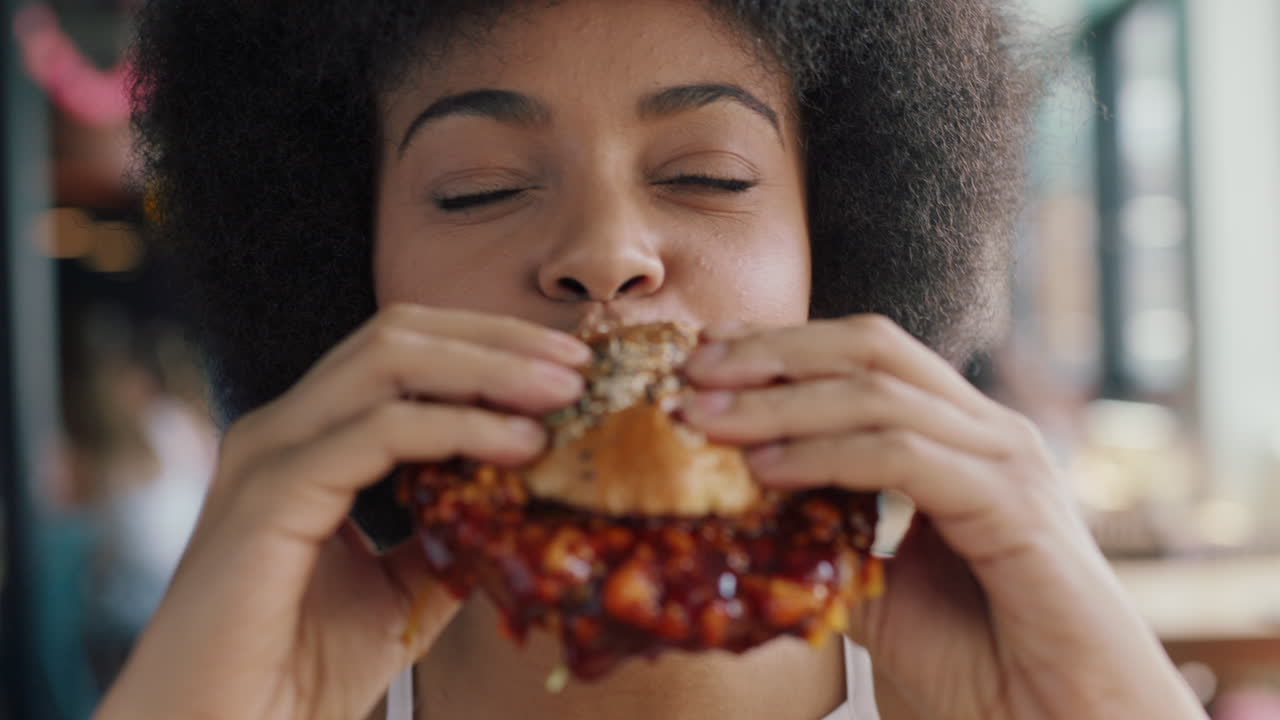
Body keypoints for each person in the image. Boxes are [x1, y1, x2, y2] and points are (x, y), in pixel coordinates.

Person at [98, 1, 1208, 718]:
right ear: (350, 260)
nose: (603, 255)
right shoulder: (249, 689)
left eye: (709, 176)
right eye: (476, 188)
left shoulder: (997, 683)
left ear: (838, 241)